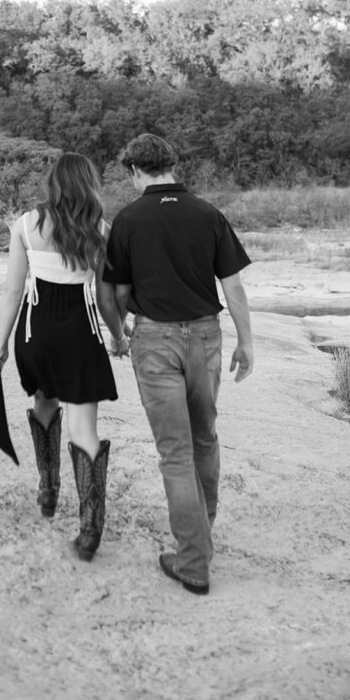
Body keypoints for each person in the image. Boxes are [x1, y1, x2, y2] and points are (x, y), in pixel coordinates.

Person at [99, 133, 254, 595]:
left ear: (133, 171)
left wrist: (118, 333)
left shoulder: (127, 219)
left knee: (175, 451)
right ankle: (200, 538)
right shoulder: (208, 213)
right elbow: (234, 287)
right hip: (206, 336)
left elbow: (116, 294)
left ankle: (192, 561)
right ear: (173, 163)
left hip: (154, 340)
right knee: (205, 437)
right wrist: (246, 342)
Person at [0, 152, 129, 561]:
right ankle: (89, 529)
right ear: (89, 186)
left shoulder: (26, 226)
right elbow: (105, 298)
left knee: (43, 403)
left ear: (52, 183)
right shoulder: (101, 230)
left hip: (36, 336)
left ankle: (48, 488)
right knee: (84, 430)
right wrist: (119, 336)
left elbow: (13, 291)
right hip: (81, 339)